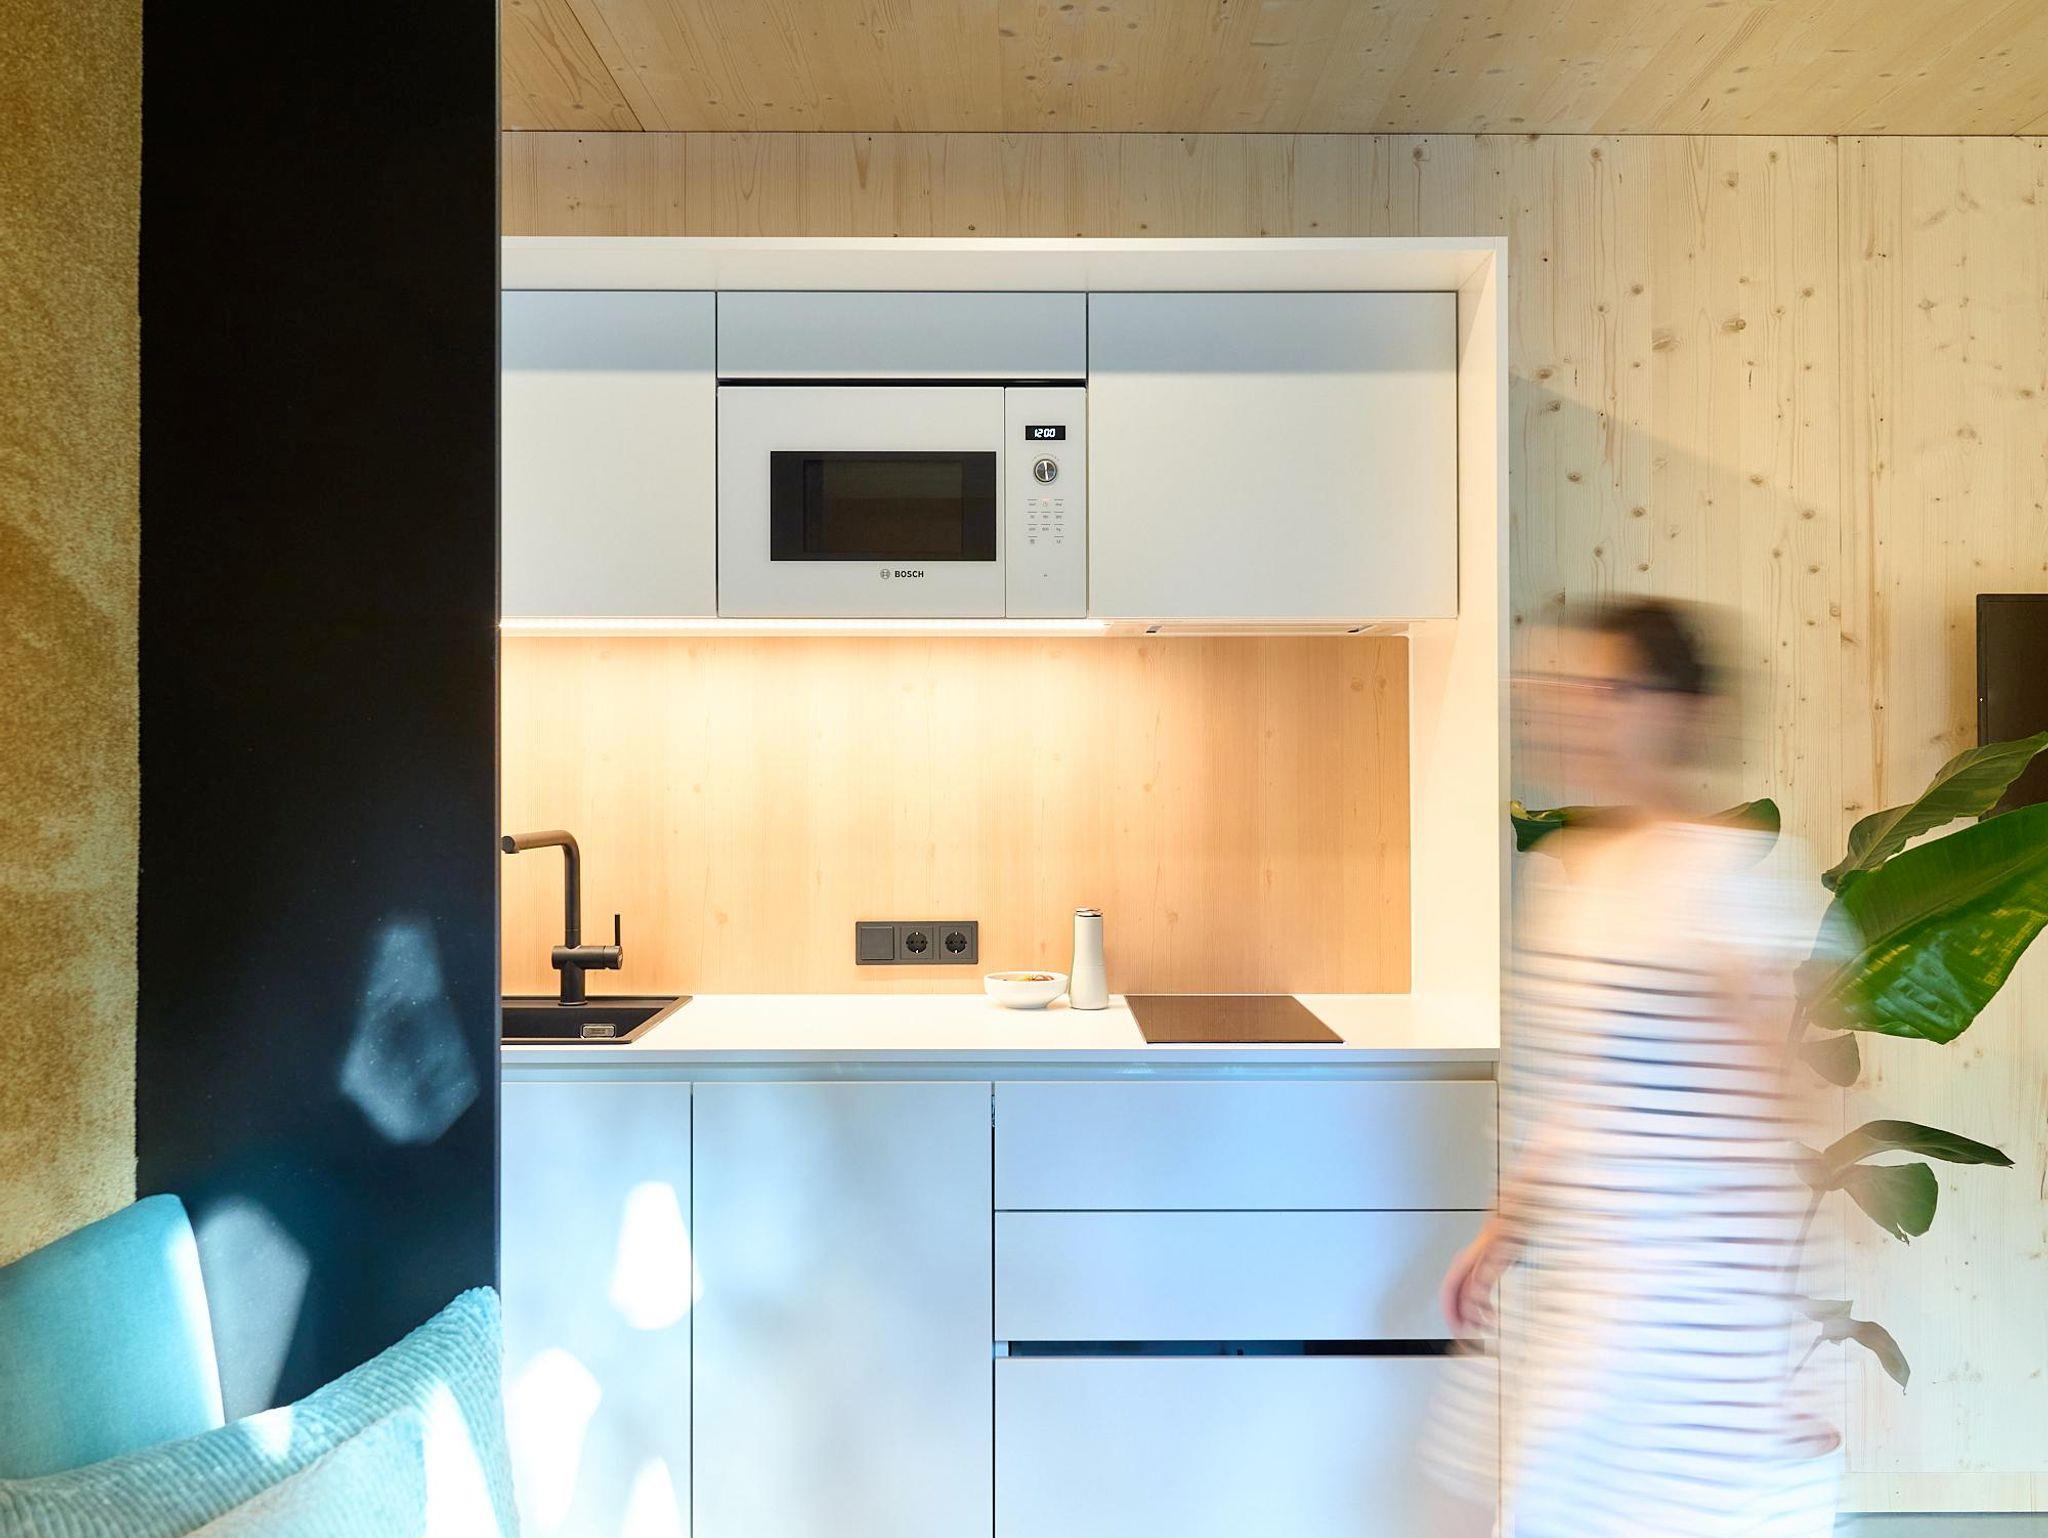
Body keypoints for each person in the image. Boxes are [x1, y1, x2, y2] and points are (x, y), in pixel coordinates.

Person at [1435, 600, 1839, 1538]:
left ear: (1679, 711)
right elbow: (1586, 1092)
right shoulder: (1567, 873)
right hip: (1589, 1292)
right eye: (1564, 688)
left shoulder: (1732, 881)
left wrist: (1789, 1361)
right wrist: (1500, 1232)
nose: (1575, 710)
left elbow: (1778, 1121)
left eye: (1608, 690)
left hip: (1692, 1313)